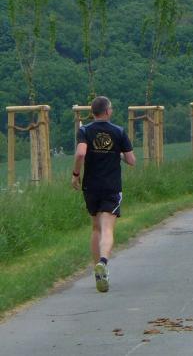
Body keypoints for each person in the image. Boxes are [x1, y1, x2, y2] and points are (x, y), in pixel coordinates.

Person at [71, 96, 136, 293]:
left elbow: (81, 153)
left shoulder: (84, 131)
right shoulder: (118, 131)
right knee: (107, 228)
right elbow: (132, 160)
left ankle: (97, 272)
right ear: (107, 111)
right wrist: (118, 154)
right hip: (111, 187)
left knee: (95, 228)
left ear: (93, 112)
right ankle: (103, 262)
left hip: (91, 186)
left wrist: (75, 174)